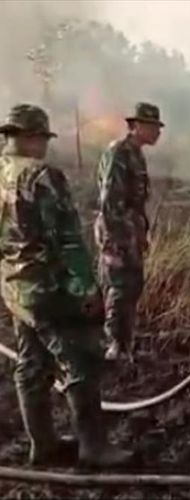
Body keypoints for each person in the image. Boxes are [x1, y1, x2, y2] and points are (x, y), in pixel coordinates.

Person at [0, 103, 133, 468]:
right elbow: (68, 240)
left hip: (15, 288)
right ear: (30, 137)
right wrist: (87, 289)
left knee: (30, 365)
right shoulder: (42, 176)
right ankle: (95, 449)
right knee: (81, 364)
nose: (43, 145)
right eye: (41, 137)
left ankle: (42, 446)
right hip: (50, 290)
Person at [95, 102, 163, 361]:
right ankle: (114, 345)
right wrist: (119, 240)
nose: (157, 132)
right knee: (118, 286)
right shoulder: (119, 153)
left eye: (158, 126)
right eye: (152, 126)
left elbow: (136, 202)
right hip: (117, 231)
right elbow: (110, 202)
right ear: (135, 127)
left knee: (131, 286)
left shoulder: (136, 154)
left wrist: (140, 233)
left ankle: (125, 343)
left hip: (130, 231)